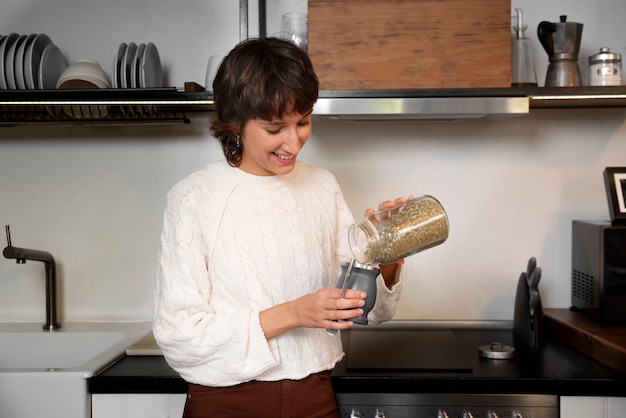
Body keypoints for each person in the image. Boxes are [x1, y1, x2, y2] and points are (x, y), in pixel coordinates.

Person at [153, 37, 406, 418]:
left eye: (303, 122)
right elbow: (179, 337)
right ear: (236, 123)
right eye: (275, 128)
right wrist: (294, 313)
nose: (294, 141)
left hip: (315, 398)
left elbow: (368, 311)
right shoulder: (193, 199)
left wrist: (385, 253)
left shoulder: (322, 186)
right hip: (226, 403)